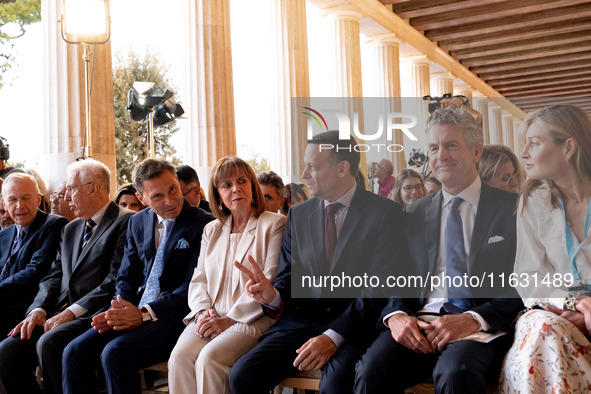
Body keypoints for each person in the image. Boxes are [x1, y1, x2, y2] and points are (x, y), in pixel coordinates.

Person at [355, 106, 523, 394]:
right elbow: (398, 278)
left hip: (481, 328)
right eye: (434, 147)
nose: (440, 155)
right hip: (421, 324)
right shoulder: (412, 213)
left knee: (456, 371)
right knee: (371, 369)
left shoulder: (513, 209)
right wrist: (396, 317)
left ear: (476, 152)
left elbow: (525, 282)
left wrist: (473, 318)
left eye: (451, 145)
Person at [230, 131, 407, 394]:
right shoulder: (299, 215)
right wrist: (273, 296)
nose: (304, 174)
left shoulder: (385, 214)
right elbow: (289, 278)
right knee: (242, 375)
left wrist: (332, 337)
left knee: (335, 386)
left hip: (354, 328)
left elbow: (377, 289)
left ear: (342, 168)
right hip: (302, 323)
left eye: (313, 166)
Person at [63, 158, 214, 394]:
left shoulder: (205, 223)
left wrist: (144, 314)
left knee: (115, 353)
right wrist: (120, 308)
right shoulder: (137, 222)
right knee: (74, 351)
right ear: (142, 199)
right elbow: (126, 275)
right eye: (157, 196)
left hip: (175, 317)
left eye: (172, 189)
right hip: (135, 310)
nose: (170, 200)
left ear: (176, 180)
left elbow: (192, 287)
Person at [0, 159, 133, 394]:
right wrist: (38, 310)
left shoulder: (126, 220)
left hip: (95, 312)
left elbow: (114, 279)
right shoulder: (71, 228)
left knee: (49, 342)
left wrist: (71, 312)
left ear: (93, 188)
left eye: (71, 189)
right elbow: (53, 276)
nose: (66, 196)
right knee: (7, 350)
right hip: (58, 311)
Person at [168, 157, 285, 394]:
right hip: (211, 313)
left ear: (252, 185)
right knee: (179, 358)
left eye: (242, 181)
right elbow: (199, 277)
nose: (236, 189)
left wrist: (229, 320)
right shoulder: (212, 229)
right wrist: (202, 312)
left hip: (251, 317)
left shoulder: (274, 224)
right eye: (226, 185)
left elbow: (269, 280)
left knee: (209, 359)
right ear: (217, 194)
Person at [500, 105, 591, 393]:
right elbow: (528, 277)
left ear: (569, 147)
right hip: (554, 310)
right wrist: (575, 304)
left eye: (534, 143)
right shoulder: (533, 200)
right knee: (544, 329)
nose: (523, 152)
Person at [0, 173, 68, 337]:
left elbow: (37, 271)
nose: (19, 206)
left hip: (27, 309)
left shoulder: (54, 224)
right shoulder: (4, 234)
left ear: (38, 199)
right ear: (3, 202)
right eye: (12, 200)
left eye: (25, 198)